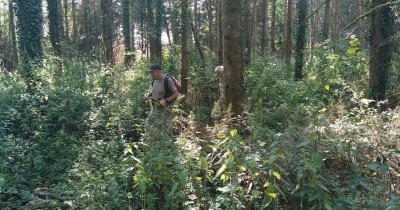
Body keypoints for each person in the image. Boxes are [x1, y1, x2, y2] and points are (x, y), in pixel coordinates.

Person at [144, 64, 179, 136]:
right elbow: (155, 91)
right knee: (148, 124)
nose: (151, 74)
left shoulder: (167, 80)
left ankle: (168, 142)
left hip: (166, 109)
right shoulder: (154, 81)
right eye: (151, 73)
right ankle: (151, 141)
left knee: (164, 128)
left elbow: (176, 94)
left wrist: (165, 101)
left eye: (152, 72)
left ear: (159, 72)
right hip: (155, 108)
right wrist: (149, 95)